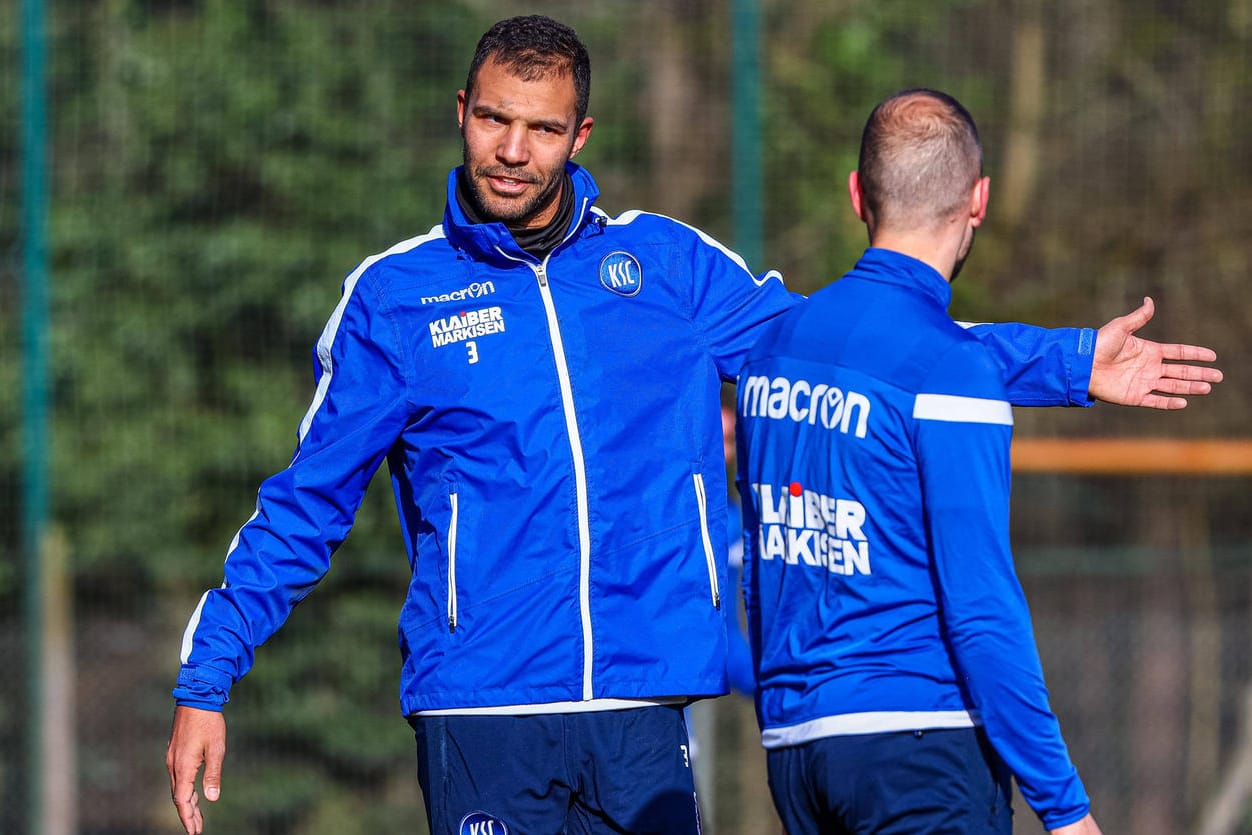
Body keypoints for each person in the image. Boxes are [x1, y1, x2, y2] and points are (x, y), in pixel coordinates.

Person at [165, 17, 1221, 835]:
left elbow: (856, 347)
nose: (512, 151)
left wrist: (1070, 361)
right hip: (481, 712)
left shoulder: (666, 267)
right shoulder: (395, 299)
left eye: (541, 128)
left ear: (581, 136)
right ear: (461, 112)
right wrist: (210, 674)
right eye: (494, 119)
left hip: (643, 709)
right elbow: (305, 502)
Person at [735, 88, 1146, 834]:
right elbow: (984, 612)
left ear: (858, 194)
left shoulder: (772, 352)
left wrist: (1071, 361)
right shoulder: (955, 374)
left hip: (796, 748)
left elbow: (760, 573)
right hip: (918, 750)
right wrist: (1065, 804)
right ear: (979, 199)